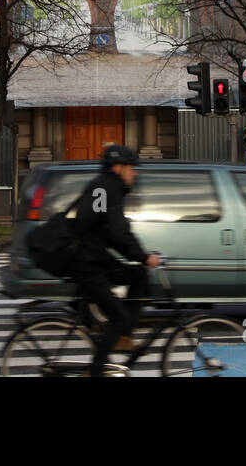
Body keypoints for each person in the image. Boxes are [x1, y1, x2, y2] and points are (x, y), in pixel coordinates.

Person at [69, 144, 163, 376]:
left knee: (139, 275)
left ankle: (123, 335)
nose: (135, 173)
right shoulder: (107, 187)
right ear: (118, 167)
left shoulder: (106, 186)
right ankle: (95, 370)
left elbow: (108, 229)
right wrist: (143, 256)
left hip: (94, 257)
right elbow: (116, 232)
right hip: (86, 263)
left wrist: (140, 258)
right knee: (119, 317)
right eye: (132, 168)